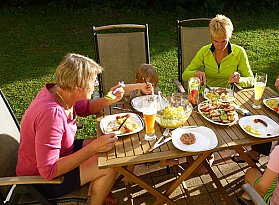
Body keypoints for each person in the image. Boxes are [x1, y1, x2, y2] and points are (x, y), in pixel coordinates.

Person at [16, 53, 153, 205]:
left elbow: (85, 108)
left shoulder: (60, 92)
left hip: (63, 153)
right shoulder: (51, 114)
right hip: (41, 181)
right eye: (93, 80)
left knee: (112, 149)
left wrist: (110, 99)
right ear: (77, 86)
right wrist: (92, 149)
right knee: (109, 163)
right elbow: (49, 171)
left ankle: (99, 188)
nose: (96, 84)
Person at [182, 14, 254, 89]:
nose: (219, 46)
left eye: (223, 41)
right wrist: (195, 73)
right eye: (216, 41)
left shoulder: (239, 52)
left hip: (228, 96)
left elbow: (251, 80)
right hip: (207, 94)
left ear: (229, 37)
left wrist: (240, 80)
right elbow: (184, 75)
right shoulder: (204, 52)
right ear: (211, 38)